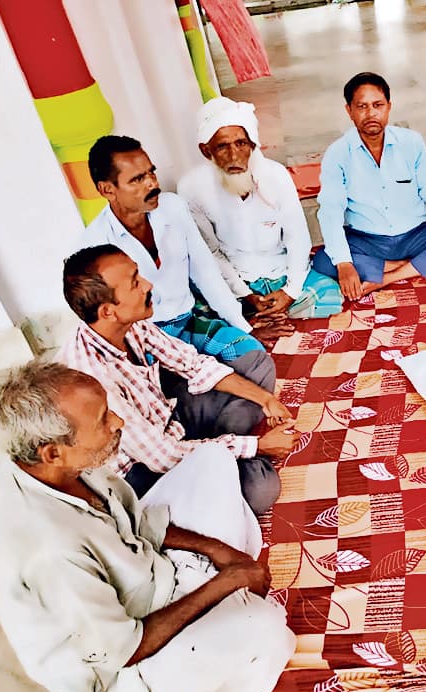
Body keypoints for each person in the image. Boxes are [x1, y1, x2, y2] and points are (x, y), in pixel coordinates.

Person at [0, 361, 295, 692]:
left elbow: (136, 522)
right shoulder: (49, 550)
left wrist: (220, 552)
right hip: (122, 673)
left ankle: (214, 597)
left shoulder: (58, 465)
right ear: (53, 452)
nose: (118, 421)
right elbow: (125, 649)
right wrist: (224, 583)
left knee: (213, 459)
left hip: (151, 574)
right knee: (269, 628)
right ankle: (219, 688)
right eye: (103, 418)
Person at [59, 245, 299, 515]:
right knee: (260, 488)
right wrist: (257, 446)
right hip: (143, 471)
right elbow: (162, 457)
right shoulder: (92, 379)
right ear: (107, 312)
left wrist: (265, 399)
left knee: (256, 365)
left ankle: (220, 451)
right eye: (135, 283)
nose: (148, 285)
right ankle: (225, 454)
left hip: (170, 419)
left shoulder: (131, 323)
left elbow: (193, 365)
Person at [84, 135, 294, 362]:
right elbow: (106, 321)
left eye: (151, 173)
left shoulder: (173, 207)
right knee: (182, 383)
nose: (152, 184)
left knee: (249, 353)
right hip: (145, 337)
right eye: (137, 179)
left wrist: (245, 329)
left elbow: (205, 273)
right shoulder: (95, 245)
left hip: (190, 320)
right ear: (107, 190)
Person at [312, 71, 426, 300]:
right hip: (367, 239)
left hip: (416, 235)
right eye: (362, 106)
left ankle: (386, 276)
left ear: (389, 107)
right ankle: (411, 267)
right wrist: (343, 263)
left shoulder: (411, 143)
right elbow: (330, 211)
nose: (371, 113)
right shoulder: (337, 154)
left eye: (377, 105)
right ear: (349, 110)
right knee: (324, 261)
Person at [178, 96, 343, 320]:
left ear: (252, 145)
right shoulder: (192, 187)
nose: (234, 155)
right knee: (199, 307)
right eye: (222, 147)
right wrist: (246, 295)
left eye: (241, 144)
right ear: (206, 151)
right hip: (234, 278)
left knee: (329, 295)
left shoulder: (275, 175)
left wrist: (290, 292)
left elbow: (297, 238)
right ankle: (256, 312)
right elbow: (211, 252)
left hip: (280, 270)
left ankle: (258, 316)